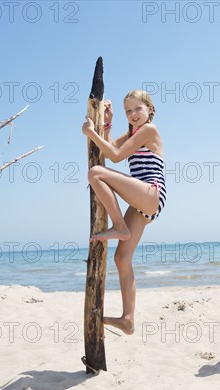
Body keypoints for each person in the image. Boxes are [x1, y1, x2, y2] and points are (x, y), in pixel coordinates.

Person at [81, 89, 166, 335]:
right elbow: (108, 150)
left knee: (95, 173)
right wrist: (107, 123)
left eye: (138, 108)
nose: (133, 114)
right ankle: (128, 319)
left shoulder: (150, 130)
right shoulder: (132, 132)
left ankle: (119, 226)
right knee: (121, 258)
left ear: (150, 110)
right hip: (141, 202)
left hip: (151, 192)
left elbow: (115, 156)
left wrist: (90, 133)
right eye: (128, 111)